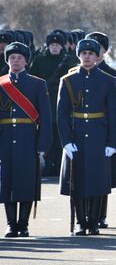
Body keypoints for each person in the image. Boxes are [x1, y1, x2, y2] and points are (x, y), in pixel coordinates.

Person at [57, 39, 116, 236]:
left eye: (91, 53)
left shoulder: (108, 80)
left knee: (96, 180)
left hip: (98, 135)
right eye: (83, 53)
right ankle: (80, 221)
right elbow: (61, 114)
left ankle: (93, 221)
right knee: (77, 181)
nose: (87, 56)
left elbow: (114, 114)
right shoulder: (67, 80)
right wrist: (66, 141)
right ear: (79, 55)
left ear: (97, 56)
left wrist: (112, 142)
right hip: (76, 135)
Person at [0, 42, 52, 238]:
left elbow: (46, 117)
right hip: (5, 139)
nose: (15, 61)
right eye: (12, 57)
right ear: (7, 60)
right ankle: (10, 224)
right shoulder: (1, 83)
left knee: (26, 182)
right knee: (7, 182)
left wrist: (42, 144)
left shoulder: (37, 83)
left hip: (28, 138)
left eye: (20, 58)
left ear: (26, 61)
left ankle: (23, 224)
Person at [85, 31, 116, 229]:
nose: (94, 53)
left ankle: (101, 214)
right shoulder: (77, 74)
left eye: (98, 49)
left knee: (103, 176)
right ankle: (86, 216)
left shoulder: (115, 76)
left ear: (105, 51)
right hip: (85, 133)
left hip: (105, 133)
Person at [29, 31, 67, 176]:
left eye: (57, 45)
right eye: (52, 45)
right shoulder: (39, 60)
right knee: (47, 134)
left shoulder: (67, 61)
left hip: (63, 102)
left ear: (62, 47)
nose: (55, 47)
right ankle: (49, 163)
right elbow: (33, 78)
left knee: (60, 136)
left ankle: (59, 164)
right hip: (45, 102)